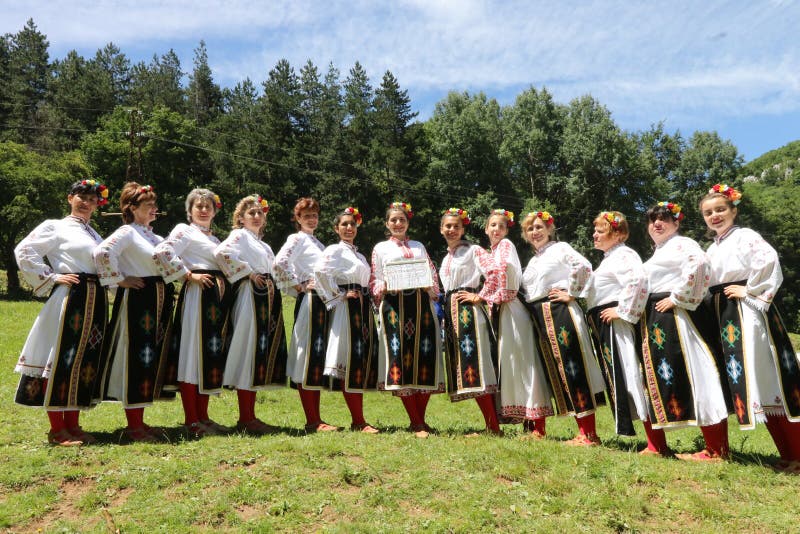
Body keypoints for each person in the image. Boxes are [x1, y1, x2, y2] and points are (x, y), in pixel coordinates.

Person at [701, 184, 800, 471]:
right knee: (756, 383)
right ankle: (788, 455)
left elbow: (768, 259)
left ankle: (797, 453)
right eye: (708, 213)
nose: (715, 216)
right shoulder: (712, 246)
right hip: (726, 312)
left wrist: (750, 292)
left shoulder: (745, 236)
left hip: (748, 310)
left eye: (720, 209)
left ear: (733, 210)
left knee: (768, 376)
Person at [14, 179, 110, 446]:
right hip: (71, 298)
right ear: (70, 198)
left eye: (93, 200)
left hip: (95, 298)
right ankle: (57, 430)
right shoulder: (54, 227)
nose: (87, 203)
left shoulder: (94, 234)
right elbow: (24, 250)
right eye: (81, 196)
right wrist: (52, 276)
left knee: (83, 361)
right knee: (61, 361)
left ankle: (73, 425)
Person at [640, 202, 730, 459]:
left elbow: (700, 264)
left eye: (663, 219)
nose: (656, 224)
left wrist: (678, 298)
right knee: (683, 376)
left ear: (676, 223)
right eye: (652, 220)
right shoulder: (660, 251)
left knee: (698, 373)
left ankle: (717, 449)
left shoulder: (683, 244)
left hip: (680, 316)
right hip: (661, 317)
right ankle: (712, 447)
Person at [94, 182, 174, 442]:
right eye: (148, 205)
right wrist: (119, 279)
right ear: (132, 208)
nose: (154, 208)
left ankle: (139, 419)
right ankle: (133, 425)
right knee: (135, 355)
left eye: (154, 204)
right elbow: (103, 251)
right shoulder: (127, 232)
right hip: (138, 298)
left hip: (157, 298)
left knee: (149, 355)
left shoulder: (153, 236)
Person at [520, 210, 606, 446]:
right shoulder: (533, 260)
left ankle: (588, 434)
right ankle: (577, 431)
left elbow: (584, 266)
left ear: (549, 229)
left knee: (573, 366)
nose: (535, 232)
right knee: (554, 370)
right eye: (530, 229)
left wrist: (573, 293)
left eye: (539, 227)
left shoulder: (560, 248)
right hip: (540, 315)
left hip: (559, 311)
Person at [585, 211, 667, 452]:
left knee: (632, 376)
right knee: (622, 379)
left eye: (601, 231)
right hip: (604, 323)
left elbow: (638, 280)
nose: (595, 235)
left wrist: (622, 311)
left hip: (616, 323)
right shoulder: (610, 258)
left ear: (618, 234)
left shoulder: (624, 254)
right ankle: (653, 443)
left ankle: (657, 445)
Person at [153, 188, 232, 438]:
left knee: (208, 354)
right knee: (192, 353)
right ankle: (191, 419)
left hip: (216, 297)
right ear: (190, 210)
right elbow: (163, 252)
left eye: (208, 206)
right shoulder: (184, 230)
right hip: (198, 294)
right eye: (198, 206)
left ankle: (204, 416)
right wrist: (187, 274)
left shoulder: (215, 239)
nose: (204, 210)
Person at [214, 194, 288, 435]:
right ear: (241, 218)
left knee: (257, 352)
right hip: (250, 297)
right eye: (251, 213)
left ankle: (250, 415)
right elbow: (222, 253)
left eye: (260, 213)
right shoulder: (239, 236)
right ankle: (246, 417)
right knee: (248, 349)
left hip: (266, 297)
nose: (257, 217)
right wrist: (247, 273)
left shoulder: (263, 244)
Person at [370, 202, 444, 438]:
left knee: (425, 357)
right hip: (395, 306)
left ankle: (420, 420)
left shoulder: (419, 246)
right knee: (400, 359)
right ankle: (416, 421)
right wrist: (384, 286)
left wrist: (433, 292)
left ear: (408, 222)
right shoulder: (380, 248)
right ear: (387, 224)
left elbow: (432, 274)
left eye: (402, 220)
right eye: (393, 220)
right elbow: (376, 279)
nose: (398, 224)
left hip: (421, 305)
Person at [484, 209, 553, 437]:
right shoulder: (492, 251)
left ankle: (538, 424)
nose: (496, 230)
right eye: (492, 225)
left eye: (501, 226)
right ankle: (527, 419)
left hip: (512, 307)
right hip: (504, 310)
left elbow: (507, 280)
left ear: (507, 230)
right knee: (512, 362)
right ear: (486, 229)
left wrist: (484, 297)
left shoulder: (505, 246)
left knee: (525, 361)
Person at [313, 207, 380, 433]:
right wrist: (339, 295)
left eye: (352, 224)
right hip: (347, 307)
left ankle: (358, 419)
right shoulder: (334, 250)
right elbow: (320, 272)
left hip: (361, 308)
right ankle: (358, 421)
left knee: (358, 360)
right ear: (336, 228)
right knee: (350, 360)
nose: (349, 228)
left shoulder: (359, 255)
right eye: (344, 224)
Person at [274, 197, 337, 432]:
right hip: (310, 301)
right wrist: (298, 285)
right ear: (297, 218)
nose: (312, 218)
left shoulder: (318, 243)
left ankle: (317, 418)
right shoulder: (297, 239)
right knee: (308, 355)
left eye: (315, 215)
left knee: (316, 356)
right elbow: (280, 263)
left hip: (323, 302)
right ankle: (312, 420)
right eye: (307, 215)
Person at [438, 208, 502, 435]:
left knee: (477, 364)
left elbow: (495, 273)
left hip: (468, 311)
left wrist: (480, 296)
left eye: (456, 226)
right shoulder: (446, 257)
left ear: (463, 229)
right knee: (468, 366)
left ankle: (493, 426)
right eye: (448, 226)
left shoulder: (473, 250)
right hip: (452, 311)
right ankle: (491, 425)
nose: (452, 230)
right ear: (441, 229)